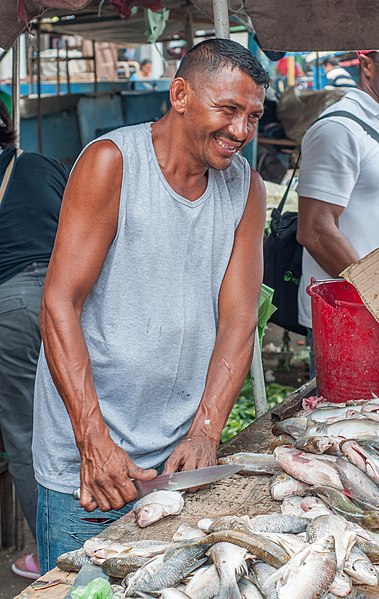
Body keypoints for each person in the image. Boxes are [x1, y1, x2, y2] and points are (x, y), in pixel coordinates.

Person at [32, 38, 269, 573]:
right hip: (90, 461)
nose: (241, 131)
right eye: (228, 110)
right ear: (180, 94)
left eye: (252, 116)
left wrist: (207, 430)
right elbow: (58, 303)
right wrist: (93, 440)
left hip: (178, 455)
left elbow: (240, 316)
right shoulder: (112, 163)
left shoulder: (244, 189)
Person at [0, 100, 68, 579]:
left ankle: (52, 554)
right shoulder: (37, 164)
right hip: (73, 295)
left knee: (26, 433)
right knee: (87, 412)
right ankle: (111, 528)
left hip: (13, 307)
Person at [297, 50, 379, 375]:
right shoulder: (339, 128)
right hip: (349, 316)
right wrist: (375, 297)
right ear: (367, 64)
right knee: (352, 420)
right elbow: (315, 229)